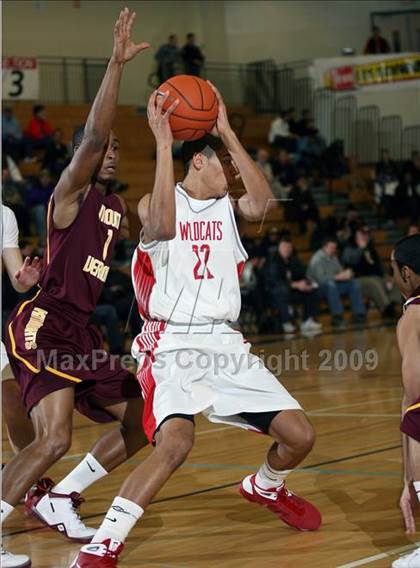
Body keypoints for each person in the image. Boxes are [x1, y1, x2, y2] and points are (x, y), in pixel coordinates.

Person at [71, 83, 321, 566]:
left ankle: (265, 487)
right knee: (175, 444)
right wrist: (164, 144)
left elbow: (265, 205)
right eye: (222, 161)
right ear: (197, 163)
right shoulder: (154, 202)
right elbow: (161, 228)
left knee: (300, 437)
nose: (230, 170)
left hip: (225, 342)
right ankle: (105, 543)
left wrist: (226, 133)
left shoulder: (230, 210)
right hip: (170, 342)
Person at [2, 10, 150, 567]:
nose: (109, 151)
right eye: (102, 146)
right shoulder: (70, 195)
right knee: (54, 438)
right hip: (44, 323)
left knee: (145, 420)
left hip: (81, 332)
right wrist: (115, 64)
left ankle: (61, 496)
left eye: (115, 147)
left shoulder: (115, 209)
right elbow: (90, 136)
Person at [1, 205, 41, 458]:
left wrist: (24, 280)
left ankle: (30, 480)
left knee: (12, 393)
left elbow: (17, 277)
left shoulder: (5, 215)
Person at [390, 234, 420, 568]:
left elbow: (414, 393)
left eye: (393, 269)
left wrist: (407, 481)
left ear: (407, 274)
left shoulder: (411, 318)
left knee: (415, 414)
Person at [263, 234, 322, 334]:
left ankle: (307, 320)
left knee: (312, 289)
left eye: (289, 247)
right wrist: (296, 285)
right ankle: (286, 321)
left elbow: (302, 273)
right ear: (279, 248)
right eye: (284, 247)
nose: (287, 249)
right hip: (273, 293)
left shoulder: (293, 260)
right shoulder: (273, 261)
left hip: (291, 290)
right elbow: (275, 282)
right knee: (281, 290)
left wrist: (306, 283)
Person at [307, 237, 367, 328]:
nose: (333, 250)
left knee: (353, 283)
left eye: (335, 248)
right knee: (331, 285)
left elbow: (339, 271)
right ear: (324, 247)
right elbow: (321, 280)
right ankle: (337, 316)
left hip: (333, 285)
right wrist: (337, 277)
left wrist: (346, 274)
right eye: (331, 248)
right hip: (317, 289)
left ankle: (358, 314)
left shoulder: (333, 257)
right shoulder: (317, 259)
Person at [342, 227, 400, 319]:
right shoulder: (350, 248)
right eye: (362, 234)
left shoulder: (371, 249)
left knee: (395, 281)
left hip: (376, 277)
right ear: (355, 236)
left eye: (366, 234)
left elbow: (379, 265)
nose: (365, 236)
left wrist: (387, 277)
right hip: (358, 279)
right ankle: (386, 307)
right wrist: (361, 249)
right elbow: (350, 261)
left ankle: (394, 302)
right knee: (374, 283)